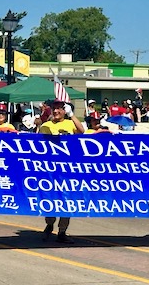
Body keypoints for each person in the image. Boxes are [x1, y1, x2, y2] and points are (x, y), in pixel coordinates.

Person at [40, 100, 84, 243]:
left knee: (67, 200)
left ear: (65, 111)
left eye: (60, 109)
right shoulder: (46, 125)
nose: (56, 111)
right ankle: (49, 224)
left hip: (68, 170)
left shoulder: (70, 123)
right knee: (51, 198)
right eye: (54, 109)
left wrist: (72, 116)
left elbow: (82, 131)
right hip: (50, 170)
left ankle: (62, 232)